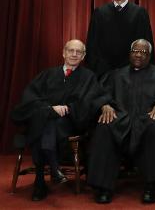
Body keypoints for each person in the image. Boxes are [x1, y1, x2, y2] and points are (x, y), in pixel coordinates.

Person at [86, 39, 155, 204]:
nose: (138, 54)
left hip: (147, 118)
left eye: (143, 52)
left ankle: (152, 185)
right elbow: (100, 94)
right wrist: (105, 105)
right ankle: (104, 186)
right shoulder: (116, 75)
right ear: (130, 53)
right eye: (135, 51)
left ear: (149, 55)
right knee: (105, 126)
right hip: (121, 119)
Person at [11, 40, 104, 201]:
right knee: (45, 120)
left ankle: (40, 179)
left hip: (70, 122)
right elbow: (30, 98)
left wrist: (66, 109)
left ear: (83, 56)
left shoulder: (88, 77)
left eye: (78, 52)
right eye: (71, 50)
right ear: (63, 53)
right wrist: (50, 109)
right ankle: (53, 169)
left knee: (45, 123)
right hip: (46, 119)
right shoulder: (47, 74)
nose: (74, 54)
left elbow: (87, 103)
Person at [86, 0, 154, 77]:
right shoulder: (100, 12)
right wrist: (97, 68)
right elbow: (92, 44)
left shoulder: (140, 13)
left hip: (132, 72)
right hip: (103, 73)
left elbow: (146, 44)